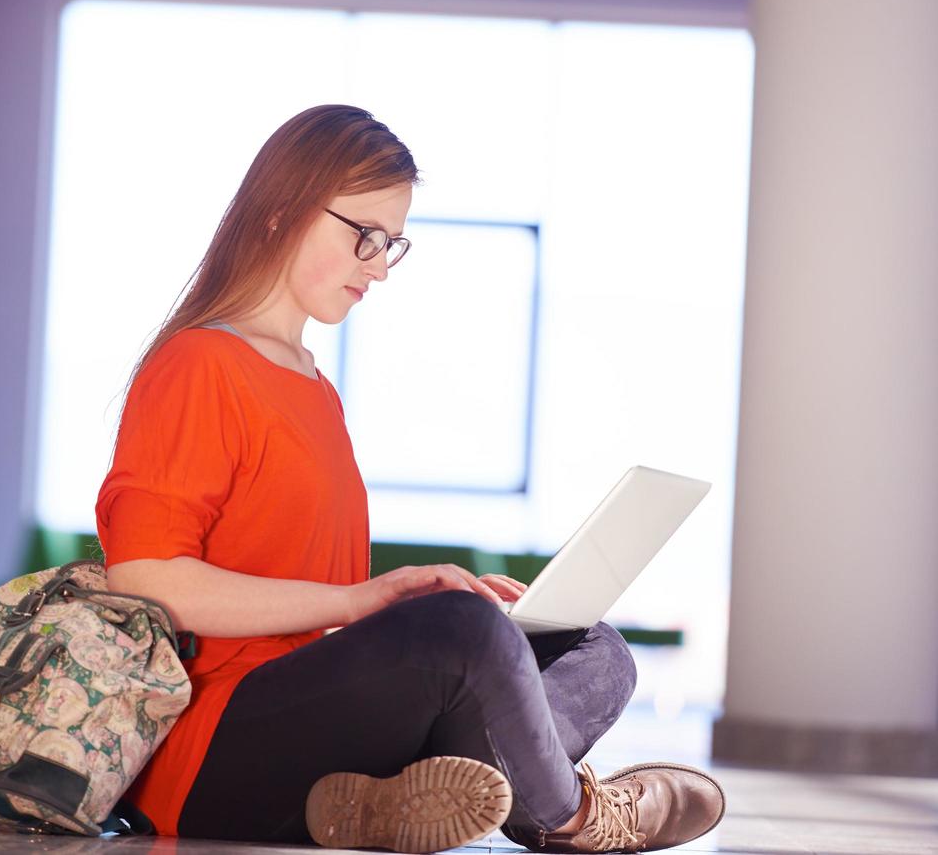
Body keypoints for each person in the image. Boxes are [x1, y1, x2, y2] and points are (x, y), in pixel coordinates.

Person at [95, 104, 725, 853]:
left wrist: (401, 611)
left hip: (318, 741)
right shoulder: (199, 365)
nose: (379, 265)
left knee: (592, 649)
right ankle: (575, 818)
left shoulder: (311, 383)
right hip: (212, 759)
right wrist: (366, 603)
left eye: (393, 244)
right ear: (279, 210)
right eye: (363, 236)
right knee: (461, 630)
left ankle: (384, 807)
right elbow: (146, 580)